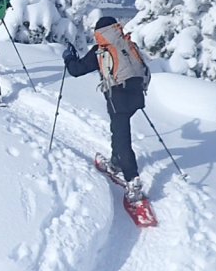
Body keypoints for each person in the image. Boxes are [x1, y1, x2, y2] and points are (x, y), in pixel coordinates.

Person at [63, 16, 151, 200]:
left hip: (118, 98)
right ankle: (116, 163)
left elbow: (76, 70)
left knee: (122, 138)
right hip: (136, 95)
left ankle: (132, 179)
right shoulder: (127, 44)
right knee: (118, 130)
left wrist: (69, 57)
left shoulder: (100, 51)